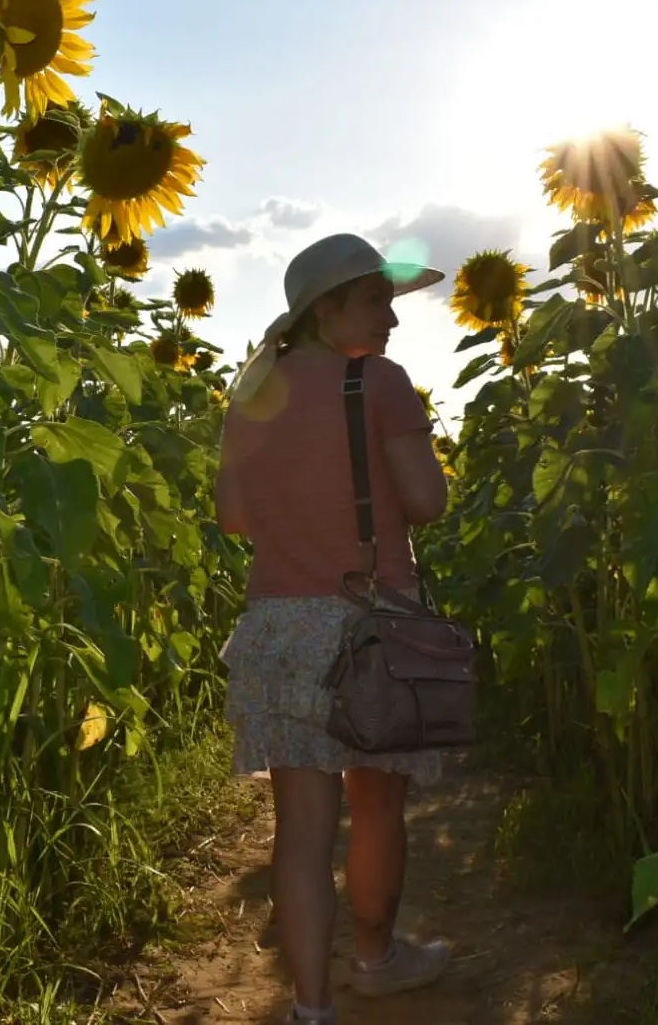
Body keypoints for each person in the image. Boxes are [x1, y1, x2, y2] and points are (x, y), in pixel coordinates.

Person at [216, 233, 452, 1024]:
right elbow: (425, 501)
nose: (392, 317)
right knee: (378, 808)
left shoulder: (255, 391)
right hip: (371, 630)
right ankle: (379, 960)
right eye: (376, 300)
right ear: (328, 309)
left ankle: (311, 1006)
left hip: (279, 629)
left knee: (301, 828)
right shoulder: (377, 383)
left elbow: (234, 517)